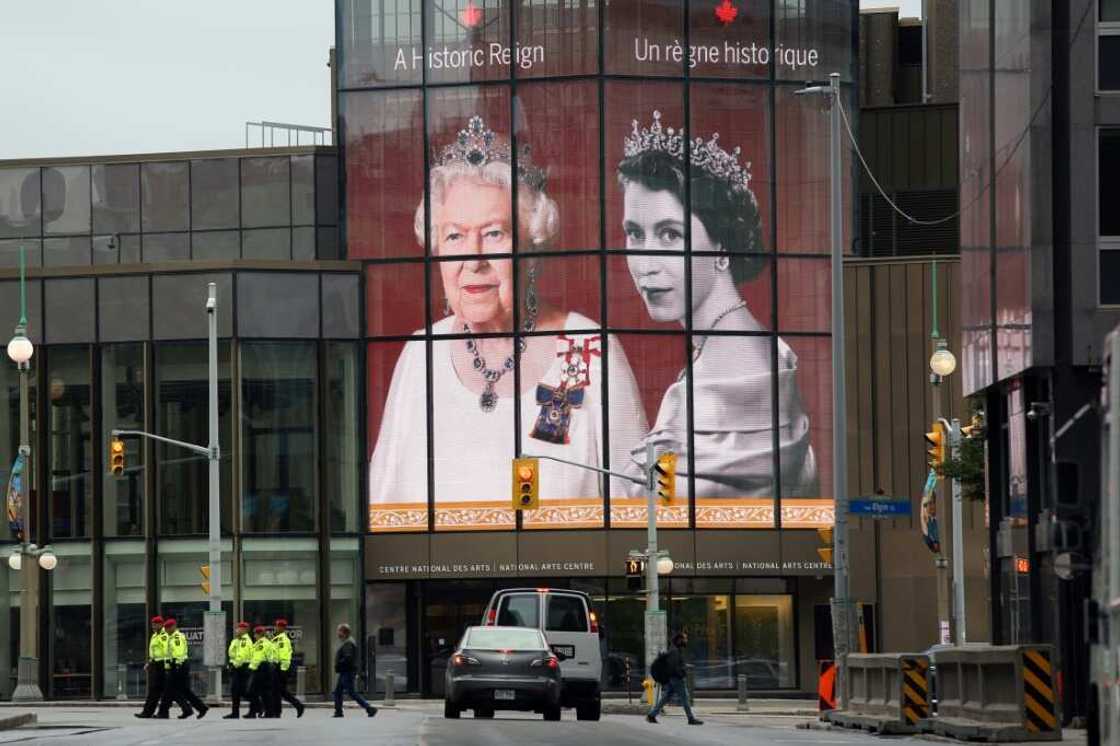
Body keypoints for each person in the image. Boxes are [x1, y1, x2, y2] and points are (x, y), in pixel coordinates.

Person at [369, 114, 646, 526]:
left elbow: (650, 506)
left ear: (531, 246)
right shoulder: (420, 355)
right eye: (454, 237)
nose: (473, 260)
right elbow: (381, 514)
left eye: (494, 234)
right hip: (432, 588)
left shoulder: (585, 348)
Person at [618, 110, 818, 499]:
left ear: (722, 245)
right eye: (634, 234)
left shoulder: (727, 375)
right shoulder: (754, 346)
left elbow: (663, 502)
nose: (646, 263)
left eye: (670, 235)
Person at [646, 632, 703, 726]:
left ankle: (652, 715)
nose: (686, 641)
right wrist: (681, 674)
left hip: (673, 679)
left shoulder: (675, 650)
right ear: (679, 640)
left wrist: (683, 667)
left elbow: (675, 665)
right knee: (685, 698)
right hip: (676, 679)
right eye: (685, 639)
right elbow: (673, 667)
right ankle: (691, 718)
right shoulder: (675, 651)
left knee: (666, 698)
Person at [157, 619, 208, 720]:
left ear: (173, 627)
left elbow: (178, 653)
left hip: (178, 665)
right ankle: (197, 708)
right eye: (165, 628)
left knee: (170, 689)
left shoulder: (176, 637)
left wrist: (176, 665)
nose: (166, 630)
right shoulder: (171, 637)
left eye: (168, 628)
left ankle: (164, 712)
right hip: (177, 665)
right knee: (182, 690)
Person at [333, 623, 377, 718]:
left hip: (347, 672)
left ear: (344, 632)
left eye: (339, 631)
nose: (338, 633)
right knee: (338, 692)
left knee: (351, 692)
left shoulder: (348, 643)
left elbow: (348, 658)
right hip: (345, 671)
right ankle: (338, 711)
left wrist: (339, 664)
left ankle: (369, 708)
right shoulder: (347, 642)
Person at [135, 615, 169, 719]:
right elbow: (154, 652)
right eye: (152, 624)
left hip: (164, 664)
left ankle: (161, 712)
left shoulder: (164, 635)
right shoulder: (155, 635)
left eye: (155, 624)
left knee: (163, 690)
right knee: (155, 690)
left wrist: (168, 667)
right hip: (156, 664)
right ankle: (148, 712)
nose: (153, 626)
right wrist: (149, 662)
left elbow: (167, 651)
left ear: (161, 624)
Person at [271, 619, 305, 718]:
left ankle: (297, 706)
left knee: (280, 691)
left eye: (278, 626)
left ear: (282, 628)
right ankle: (279, 711)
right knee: (278, 691)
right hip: (277, 667)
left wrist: (283, 670)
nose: (276, 628)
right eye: (276, 626)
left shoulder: (283, 640)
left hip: (281, 668)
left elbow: (284, 655)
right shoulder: (277, 638)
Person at [223, 621, 253, 719]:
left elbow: (241, 655)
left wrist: (235, 665)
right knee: (235, 691)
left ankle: (258, 705)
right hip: (236, 667)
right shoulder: (236, 640)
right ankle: (235, 713)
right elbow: (231, 653)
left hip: (242, 667)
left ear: (245, 630)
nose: (238, 630)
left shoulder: (245, 640)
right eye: (238, 628)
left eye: (240, 628)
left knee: (242, 691)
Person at [246, 625, 274, 719]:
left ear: (259, 634)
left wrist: (251, 667)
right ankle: (257, 711)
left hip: (262, 667)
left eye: (255, 634)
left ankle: (262, 711)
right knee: (261, 692)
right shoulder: (260, 643)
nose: (254, 636)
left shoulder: (262, 643)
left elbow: (258, 656)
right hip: (264, 667)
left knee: (255, 691)